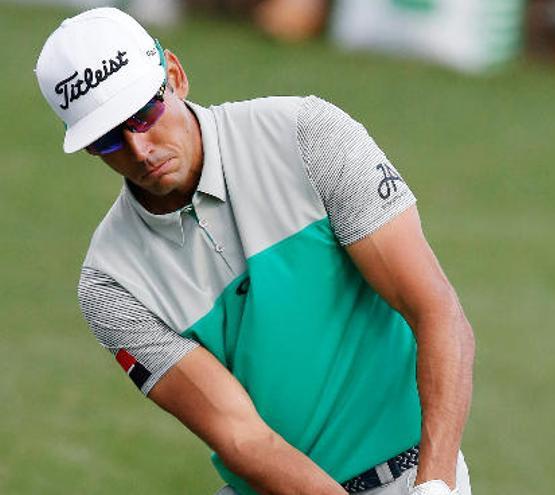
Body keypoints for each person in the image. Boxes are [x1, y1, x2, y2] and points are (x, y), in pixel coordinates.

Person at [35, 7, 475, 495]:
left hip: (413, 476)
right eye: (106, 139)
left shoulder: (307, 134)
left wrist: (436, 485)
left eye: (144, 113)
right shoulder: (110, 283)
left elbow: (434, 308)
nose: (138, 149)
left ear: (175, 77)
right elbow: (243, 438)